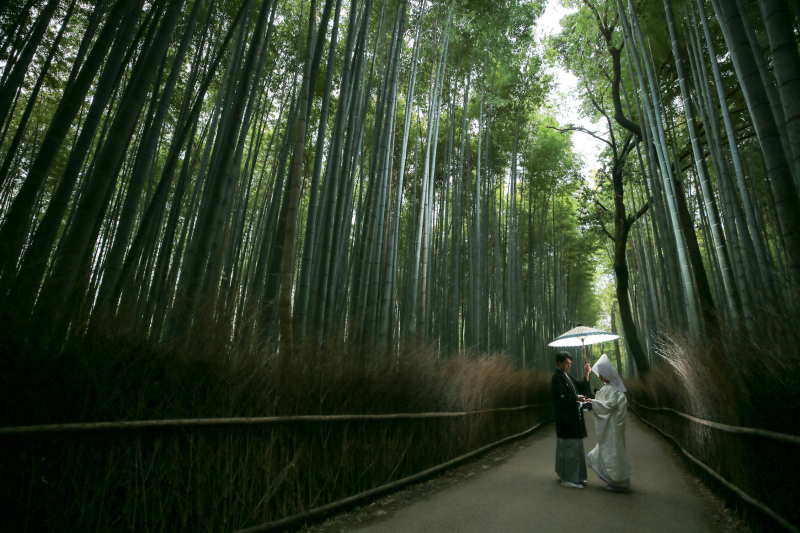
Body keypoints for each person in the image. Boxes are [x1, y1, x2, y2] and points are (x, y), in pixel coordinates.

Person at [587, 353, 632, 492]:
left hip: (612, 428)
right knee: (611, 451)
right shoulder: (613, 387)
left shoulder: (613, 389)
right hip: (611, 426)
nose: (599, 376)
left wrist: (593, 402)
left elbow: (608, 405)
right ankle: (615, 480)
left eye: (601, 374)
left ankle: (618, 481)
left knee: (613, 452)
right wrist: (593, 401)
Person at [551, 351, 593, 488]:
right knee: (569, 449)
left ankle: (575, 476)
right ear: (559, 363)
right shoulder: (557, 378)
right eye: (567, 363)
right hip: (565, 419)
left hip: (573, 418)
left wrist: (586, 373)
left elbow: (580, 386)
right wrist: (575, 398)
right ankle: (568, 479)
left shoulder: (567, 377)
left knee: (575, 448)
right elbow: (560, 398)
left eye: (570, 363)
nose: (569, 366)